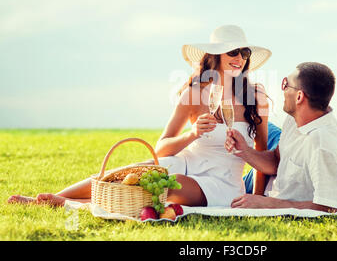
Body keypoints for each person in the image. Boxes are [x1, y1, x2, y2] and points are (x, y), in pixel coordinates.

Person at [7, 25, 272, 208]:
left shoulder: (256, 97)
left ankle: (73, 204)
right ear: (216, 55)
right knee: (129, 173)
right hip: (184, 164)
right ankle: (52, 198)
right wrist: (192, 134)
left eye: (244, 53)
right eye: (233, 52)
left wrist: (258, 199)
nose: (240, 58)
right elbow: (162, 147)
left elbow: (261, 152)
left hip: (221, 183)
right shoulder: (193, 94)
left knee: (164, 184)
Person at [226, 62, 337, 213]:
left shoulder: (321, 144)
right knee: (257, 122)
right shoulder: (294, 118)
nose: (282, 90)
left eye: (286, 84)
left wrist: (267, 203)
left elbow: (329, 205)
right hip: (274, 182)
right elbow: (277, 160)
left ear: (299, 97)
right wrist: (244, 151)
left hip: (273, 193)